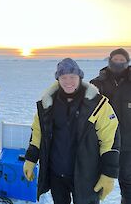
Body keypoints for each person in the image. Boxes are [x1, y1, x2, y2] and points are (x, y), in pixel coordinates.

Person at [23, 58, 120, 204]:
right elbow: (38, 133)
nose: (68, 81)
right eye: (64, 77)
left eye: (72, 77)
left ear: (80, 77)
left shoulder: (97, 104)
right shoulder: (47, 104)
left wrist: (109, 173)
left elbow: (110, 139)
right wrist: (30, 159)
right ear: (58, 79)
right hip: (56, 174)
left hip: (86, 174)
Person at [91, 48, 131, 204]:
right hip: (102, 143)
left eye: (122, 61)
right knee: (97, 180)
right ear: (109, 61)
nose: (119, 63)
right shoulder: (97, 83)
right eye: (116, 60)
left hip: (128, 144)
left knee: (127, 182)